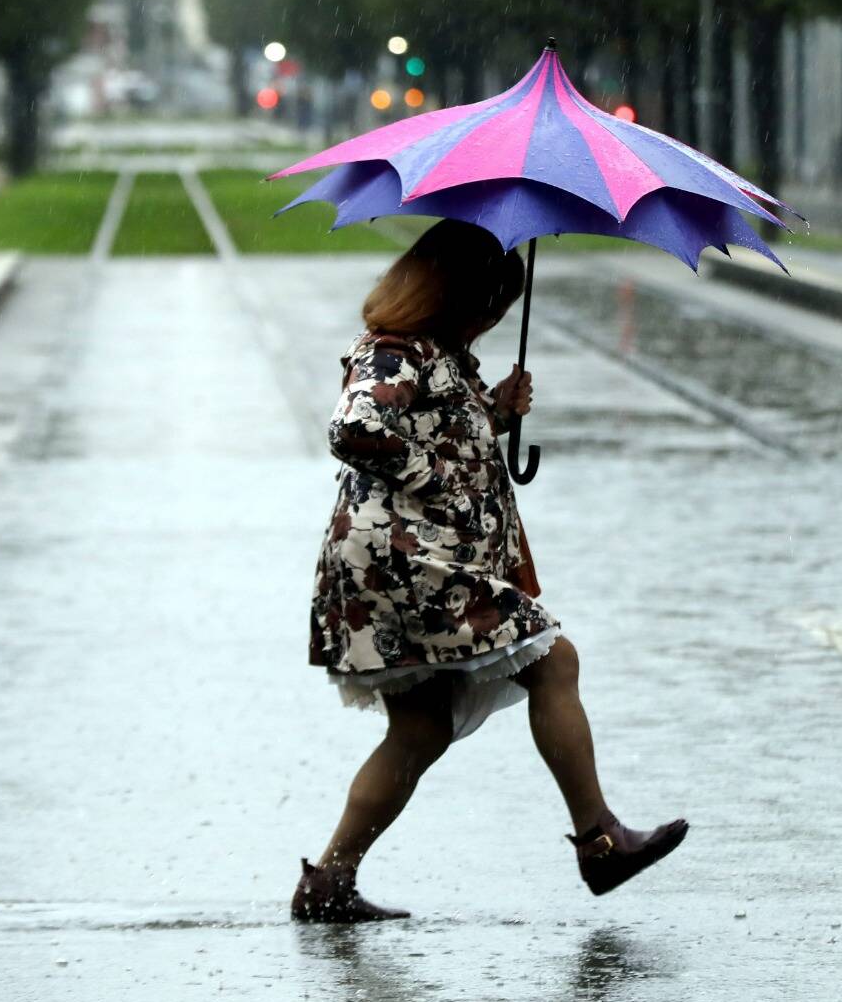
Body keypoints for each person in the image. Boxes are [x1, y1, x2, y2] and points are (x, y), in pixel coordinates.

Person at [293, 220, 688, 923]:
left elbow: (430, 427)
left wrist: (494, 414)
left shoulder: (436, 354)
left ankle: (329, 882)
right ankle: (599, 840)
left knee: (420, 732)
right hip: (406, 561)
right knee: (552, 659)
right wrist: (434, 472)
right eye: (488, 307)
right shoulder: (395, 354)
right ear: (452, 296)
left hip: (403, 562)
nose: (491, 322)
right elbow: (351, 428)